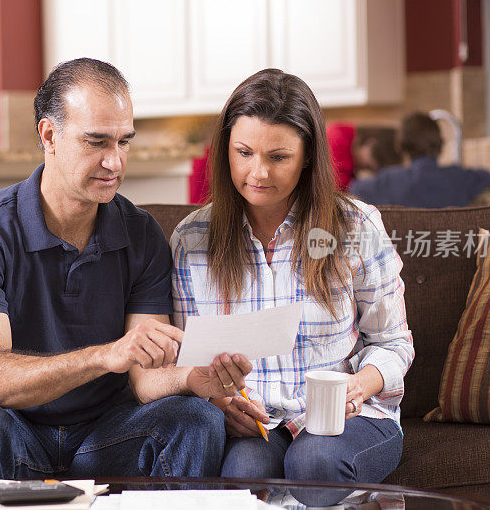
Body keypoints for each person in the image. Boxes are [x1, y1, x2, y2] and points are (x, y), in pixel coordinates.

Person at [0, 58, 250, 483]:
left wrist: (193, 378)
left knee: (195, 419)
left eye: (123, 142)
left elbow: (143, 378)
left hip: (107, 437)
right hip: (10, 430)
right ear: (49, 135)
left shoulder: (142, 235)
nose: (115, 163)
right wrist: (106, 355)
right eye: (97, 142)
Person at [170, 69, 414, 493]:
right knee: (244, 475)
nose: (258, 172)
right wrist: (219, 402)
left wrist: (359, 385)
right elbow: (184, 358)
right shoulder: (191, 240)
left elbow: (394, 342)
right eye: (243, 152)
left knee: (315, 461)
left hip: (352, 416)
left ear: (307, 157)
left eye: (278, 157)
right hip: (260, 421)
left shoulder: (355, 227)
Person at [350, 112, 490, 207]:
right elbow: (487, 177)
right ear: (440, 144)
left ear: (402, 146)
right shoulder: (458, 177)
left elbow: (354, 189)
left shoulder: (389, 181)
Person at [327, 122, 400, 191]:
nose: (363, 167)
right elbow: (337, 190)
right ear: (371, 144)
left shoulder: (346, 135)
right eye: (368, 166)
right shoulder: (337, 141)